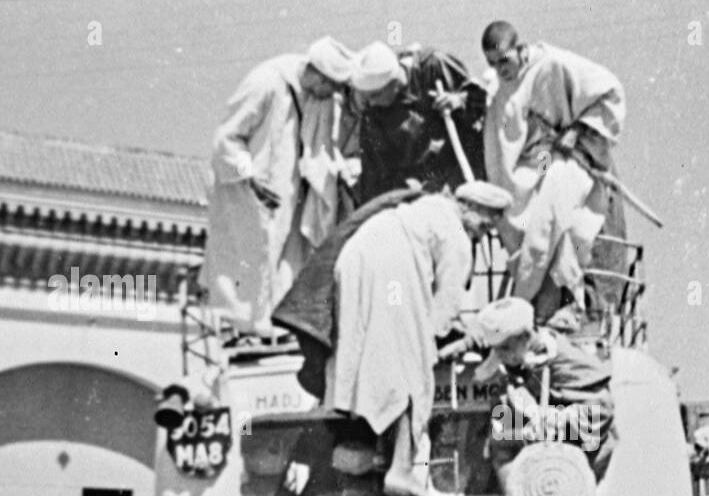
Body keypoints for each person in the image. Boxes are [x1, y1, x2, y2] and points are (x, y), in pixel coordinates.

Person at [329, 181, 512, 496]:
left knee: (376, 359)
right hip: (390, 274)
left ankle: (380, 455)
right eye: (484, 225)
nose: (482, 235)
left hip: (356, 261)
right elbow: (442, 313)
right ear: (471, 210)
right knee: (413, 367)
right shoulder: (457, 238)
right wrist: (457, 338)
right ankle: (401, 470)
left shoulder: (428, 209)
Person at [205, 37, 361, 335]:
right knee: (250, 261)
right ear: (317, 74)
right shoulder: (266, 82)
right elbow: (227, 137)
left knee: (287, 259)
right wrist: (249, 177)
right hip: (247, 191)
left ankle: (276, 326)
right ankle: (245, 329)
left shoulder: (317, 98)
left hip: (288, 194)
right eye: (331, 85)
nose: (332, 94)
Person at [480, 21, 626, 323]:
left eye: (504, 61)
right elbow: (507, 141)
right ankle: (536, 305)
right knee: (520, 214)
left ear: (521, 50)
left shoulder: (553, 64)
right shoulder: (502, 92)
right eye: (493, 65)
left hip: (577, 155)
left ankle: (567, 301)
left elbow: (609, 92)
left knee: (555, 213)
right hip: (540, 162)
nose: (501, 70)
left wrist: (577, 131)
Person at [472, 296, 616, 479]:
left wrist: (549, 425)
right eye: (497, 350)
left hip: (581, 471)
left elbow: (602, 410)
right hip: (535, 479)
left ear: (527, 336)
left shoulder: (566, 362)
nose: (501, 356)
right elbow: (503, 432)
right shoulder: (516, 368)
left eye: (506, 348)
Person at [351, 40, 486, 202]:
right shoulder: (372, 114)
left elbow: (483, 101)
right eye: (366, 98)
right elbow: (376, 176)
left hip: (461, 168)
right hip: (418, 187)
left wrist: (459, 101)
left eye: (375, 95)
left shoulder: (434, 65)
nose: (371, 104)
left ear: (394, 82)